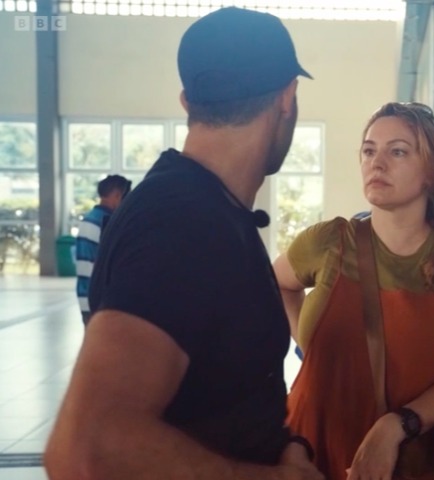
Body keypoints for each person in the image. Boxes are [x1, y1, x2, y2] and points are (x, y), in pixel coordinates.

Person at [44, 7, 324, 480]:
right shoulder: (181, 222)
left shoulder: (210, 209)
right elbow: (85, 446)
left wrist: (287, 447)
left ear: (187, 101)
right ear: (287, 98)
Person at [273, 102, 434, 480]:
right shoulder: (330, 240)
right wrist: (307, 343)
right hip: (305, 453)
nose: (376, 163)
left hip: (406, 458)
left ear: (432, 169)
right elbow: (276, 283)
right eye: (368, 150)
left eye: (397, 151)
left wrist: (395, 426)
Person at [75, 174, 131, 325]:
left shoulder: (90, 219)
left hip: (85, 294)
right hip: (99, 300)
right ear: (117, 195)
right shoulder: (108, 223)